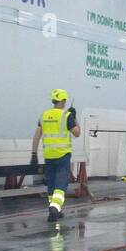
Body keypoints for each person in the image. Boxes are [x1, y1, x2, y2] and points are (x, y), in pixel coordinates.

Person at [30, 89, 81, 223]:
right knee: (61, 184)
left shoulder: (44, 115)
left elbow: (36, 136)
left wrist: (34, 154)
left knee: (51, 184)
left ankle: (55, 209)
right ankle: (54, 207)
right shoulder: (66, 115)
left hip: (48, 156)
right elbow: (77, 133)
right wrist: (75, 118)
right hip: (63, 156)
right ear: (63, 101)